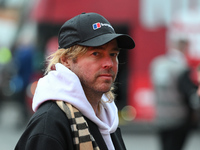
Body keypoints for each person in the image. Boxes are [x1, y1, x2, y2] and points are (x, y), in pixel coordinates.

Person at [15, 12, 135, 150]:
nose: (109, 63)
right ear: (66, 60)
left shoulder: (107, 116)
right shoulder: (49, 125)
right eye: (96, 54)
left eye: (113, 54)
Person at [150, 36, 196, 150]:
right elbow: (189, 95)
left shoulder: (157, 63)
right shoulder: (182, 67)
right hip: (179, 118)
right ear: (184, 47)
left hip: (161, 115)